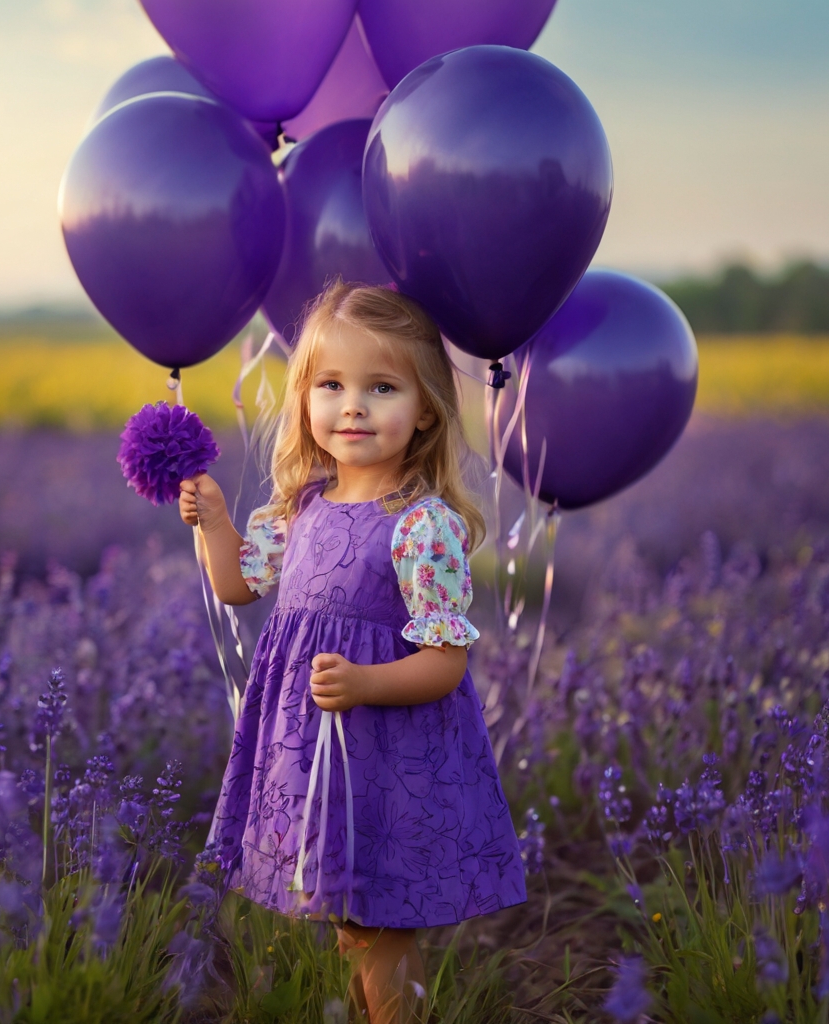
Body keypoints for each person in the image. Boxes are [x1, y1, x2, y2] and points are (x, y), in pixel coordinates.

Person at [179, 281, 526, 1023]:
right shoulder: (304, 505)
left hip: (385, 756)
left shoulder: (422, 525)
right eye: (331, 385)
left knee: (379, 923)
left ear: (427, 406)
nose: (353, 406)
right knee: (354, 918)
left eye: (382, 386)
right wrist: (213, 522)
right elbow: (240, 586)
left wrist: (367, 681)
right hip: (316, 753)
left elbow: (446, 663)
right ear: (305, 398)